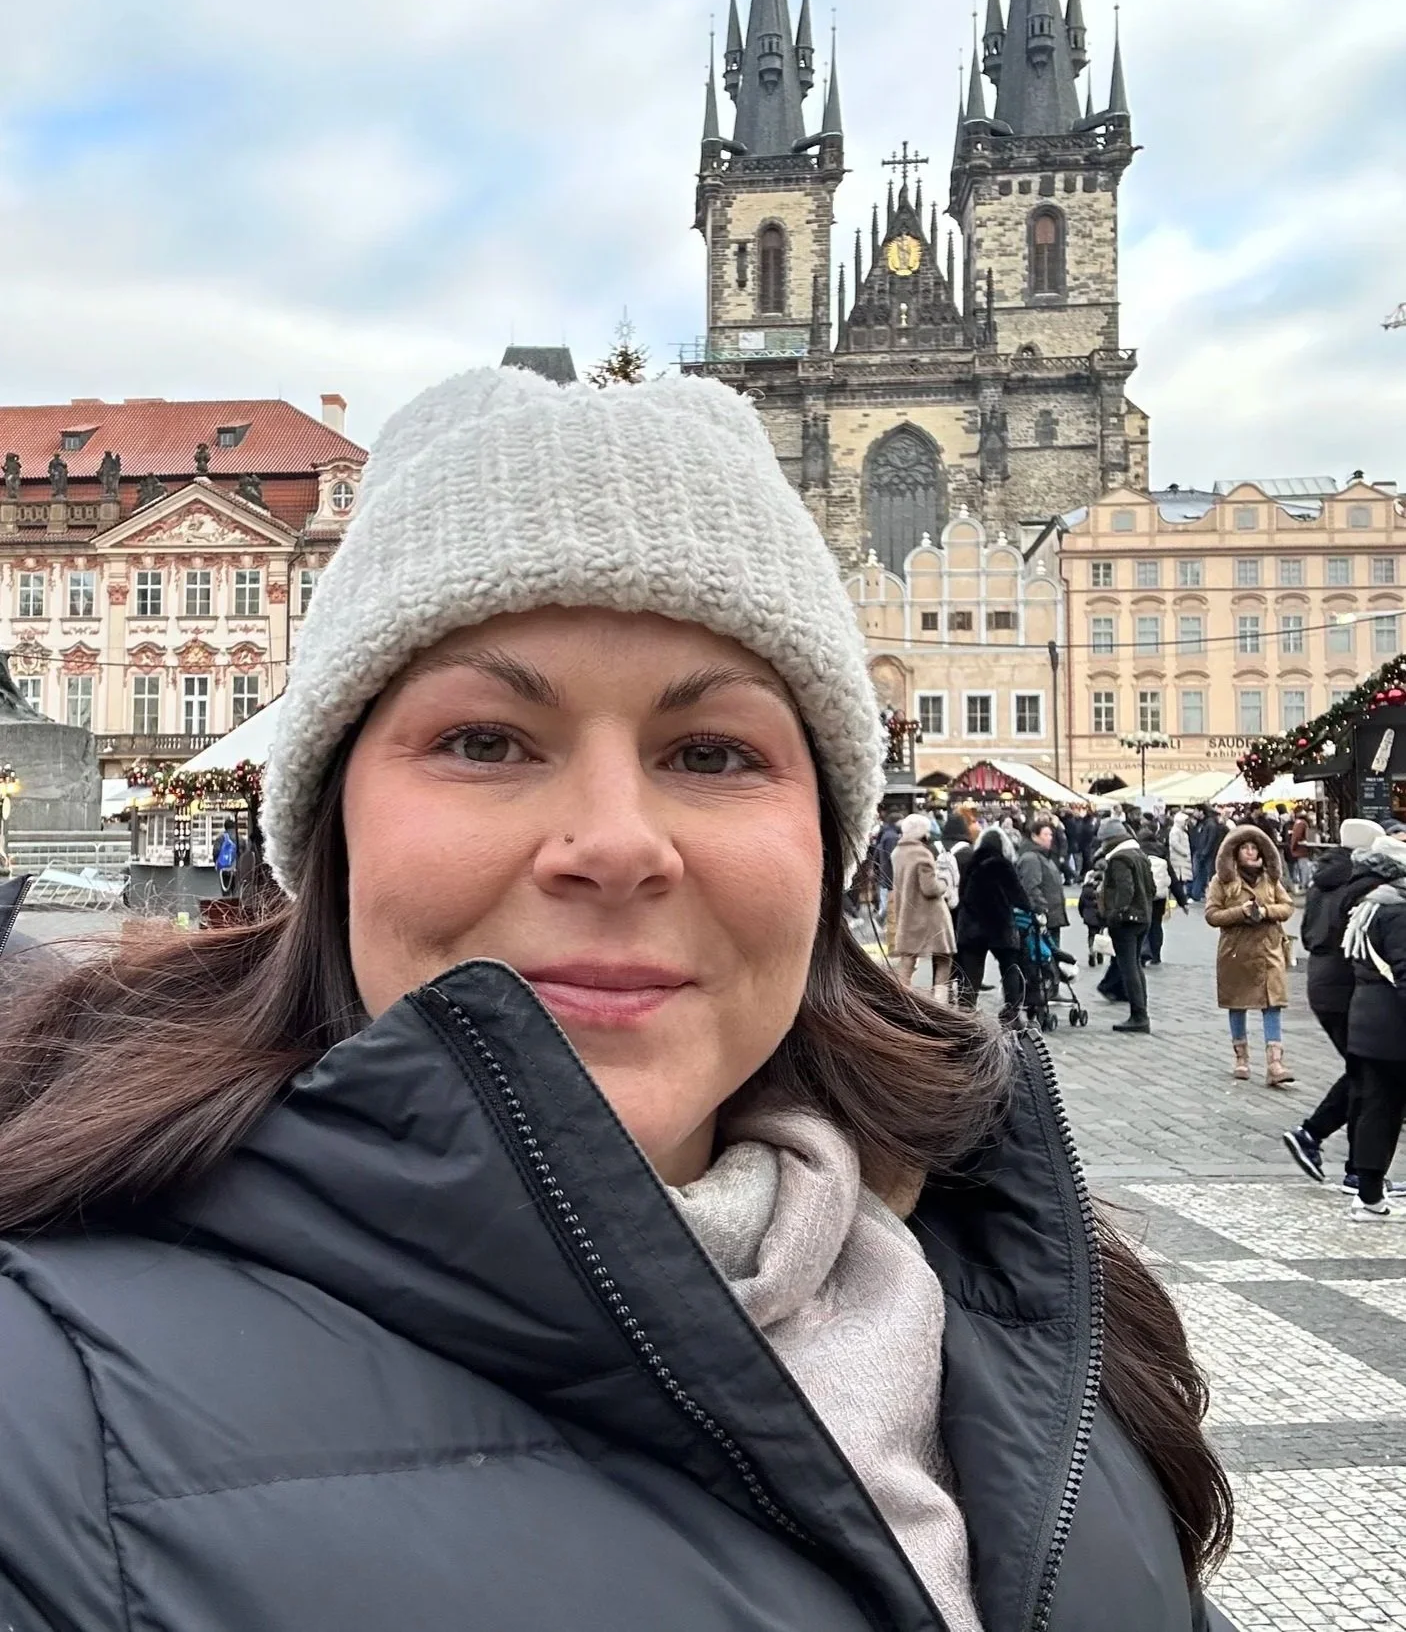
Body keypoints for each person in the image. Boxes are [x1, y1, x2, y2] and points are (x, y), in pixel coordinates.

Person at [0, 366, 1235, 1632]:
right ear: (332, 835)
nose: (613, 844)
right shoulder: (42, 1415)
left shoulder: (1030, 1304)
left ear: (826, 844)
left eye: (710, 754)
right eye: (483, 741)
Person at [1284, 819, 1385, 1191]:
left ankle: (1330, 1148)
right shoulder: (1360, 883)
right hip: (1347, 986)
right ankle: (1340, 1155)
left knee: (1363, 1072)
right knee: (1368, 1076)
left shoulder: (1323, 880)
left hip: (1322, 982)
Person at [1343, 835, 1406, 1219]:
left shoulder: (1371, 905)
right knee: (1382, 1110)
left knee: (1376, 1108)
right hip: (1392, 1028)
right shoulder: (1397, 910)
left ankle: (1368, 1193)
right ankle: (1369, 1194)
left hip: (1367, 1020)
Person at [1204, 825, 1295, 1086]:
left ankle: (1275, 1063)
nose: (1251, 852)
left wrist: (1266, 912)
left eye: (1255, 848)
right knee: (1237, 1003)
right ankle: (1241, 1058)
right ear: (1235, 852)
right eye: (1245, 848)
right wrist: (1240, 912)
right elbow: (1212, 915)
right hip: (1236, 952)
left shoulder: (1270, 879)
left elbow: (1287, 907)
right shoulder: (1222, 882)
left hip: (1268, 950)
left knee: (1273, 1003)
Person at [954, 827, 1029, 1020]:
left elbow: (962, 894)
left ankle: (965, 1013)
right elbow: (1019, 896)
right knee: (1010, 967)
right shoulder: (1003, 865)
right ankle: (1012, 1012)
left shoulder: (969, 863)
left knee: (971, 973)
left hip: (971, 926)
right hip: (1000, 925)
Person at [1097, 818, 1157, 1033]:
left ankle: (1138, 1015)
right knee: (1136, 966)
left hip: (1127, 921)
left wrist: (1115, 913)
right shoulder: (1139, 854)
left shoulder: (1119, 858)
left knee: (1128, 967)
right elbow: (1151, 887)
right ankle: (1141, 1012)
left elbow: (1125, 889)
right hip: (1143, 917)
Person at [889, 812, 957, 998]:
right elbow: (930, 888)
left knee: (908, 959)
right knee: (944, 958)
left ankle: (901, 999)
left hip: (907, 912)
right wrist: (944, 879)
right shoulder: (922, 854)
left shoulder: (897, 853)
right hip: (930, 916)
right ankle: (939, 1001)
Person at [1015, 814, 1068, 951]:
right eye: (1046, 834)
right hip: (1044, 918)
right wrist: (1043, 909)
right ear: (1034, 836)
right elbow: (1031, 887)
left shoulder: (1044, 856)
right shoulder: (1031, 858)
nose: (1050, 838)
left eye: (1051, 834)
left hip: (1052, 917)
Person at [1138, 827, 1172, 966]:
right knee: (1157, 924)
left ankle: (1144, 952)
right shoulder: (1162, 850)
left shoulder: (1139, 851)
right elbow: (1171, 874)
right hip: (1160, 894)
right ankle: (1156, 955)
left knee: (1144, 923)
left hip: (1144, 892)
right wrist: (1181, 899)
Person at [1167, 810, 1193, 911]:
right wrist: (1184, 852)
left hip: (1182, 860)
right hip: (1178, 859)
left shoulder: (1181, 830)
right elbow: (1174, 843)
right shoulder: (1175, 831)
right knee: (1176, 880)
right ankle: (1174, 901)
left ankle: (1179, 899)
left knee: (1181, 880)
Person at [214, 815, 240, 895]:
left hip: (224, 869)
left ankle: (227, 906)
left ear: (225, 827)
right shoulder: (240, 838)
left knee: (225, 892)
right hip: (236, 868)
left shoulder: (220, 838)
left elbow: (216, 852)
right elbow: (244, 853)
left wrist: (217, 863)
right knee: (236, 891)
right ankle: (235, 906)